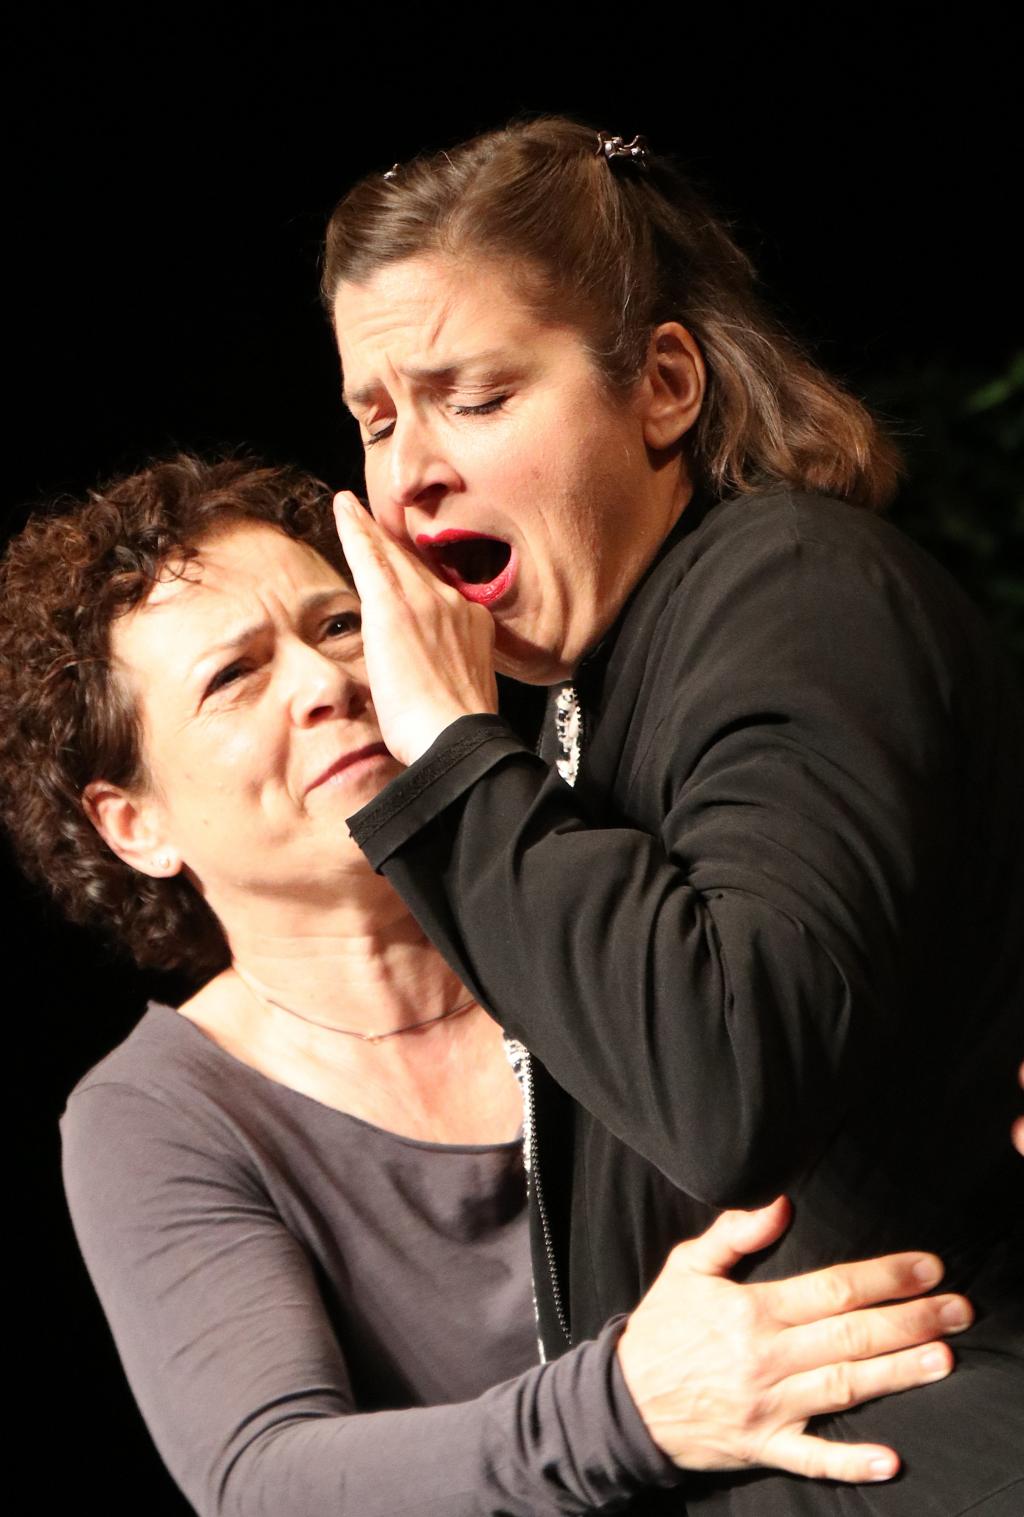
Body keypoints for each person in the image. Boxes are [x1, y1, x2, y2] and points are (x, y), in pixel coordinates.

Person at [0, 455, 972, 1516]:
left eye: (340, 625)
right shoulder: (158, 1113)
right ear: (133, 824)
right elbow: (266, 1478)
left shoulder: (601, 872)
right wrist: (630, 1408)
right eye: (233, 677)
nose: (328, 683)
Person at [324, 117, 1024, 1514]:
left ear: (662, 386)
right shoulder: (589, 686)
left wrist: (453, 756)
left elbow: (725, 1086)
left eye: (476, 397)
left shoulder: (795, 593)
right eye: (378, 420)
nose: (409, 477)